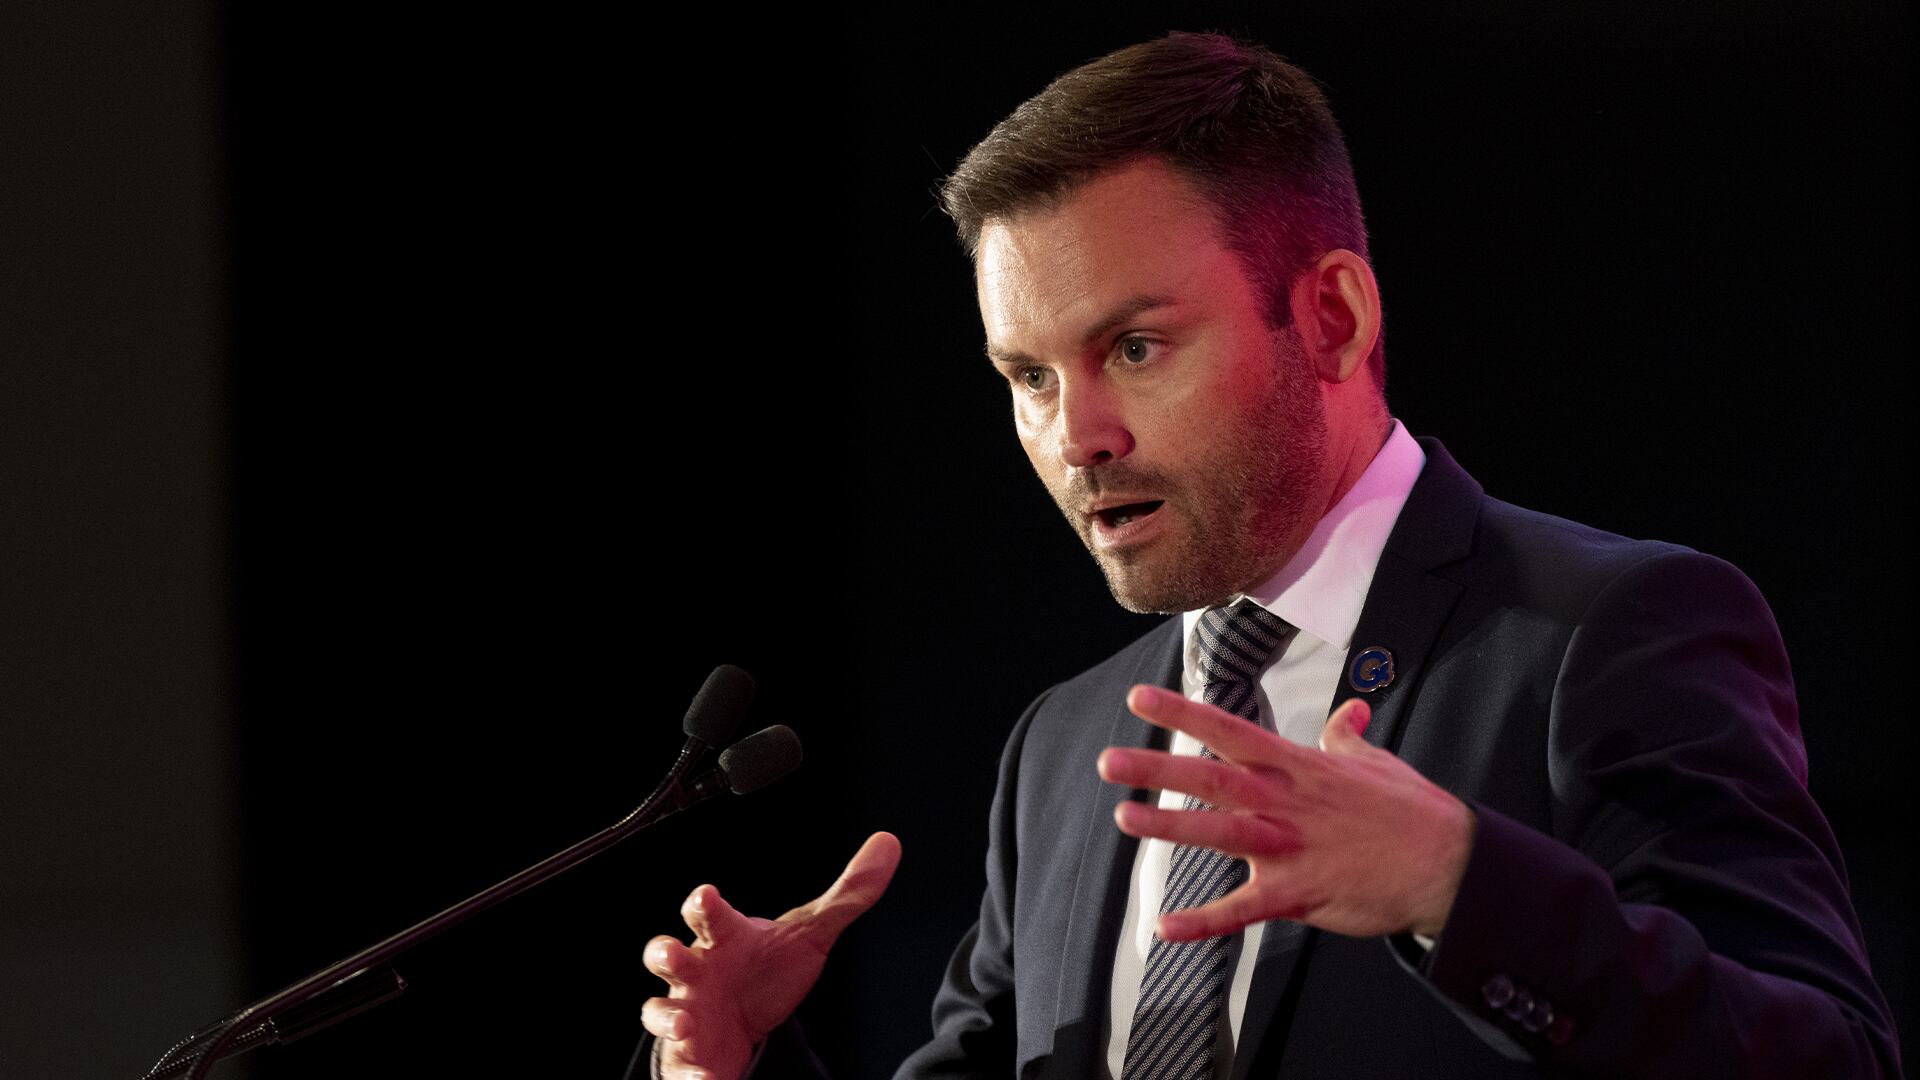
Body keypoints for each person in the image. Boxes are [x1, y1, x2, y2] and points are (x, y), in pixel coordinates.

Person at [637, 32, 1900, 1079]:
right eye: (1029, 377)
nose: (1076, 436)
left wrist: (1457, 889)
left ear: (1333, 318)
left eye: (1135, 348)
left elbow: (1832, 1057)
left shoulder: (1607, 635)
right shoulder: (1064, 746)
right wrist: (740, 1064)